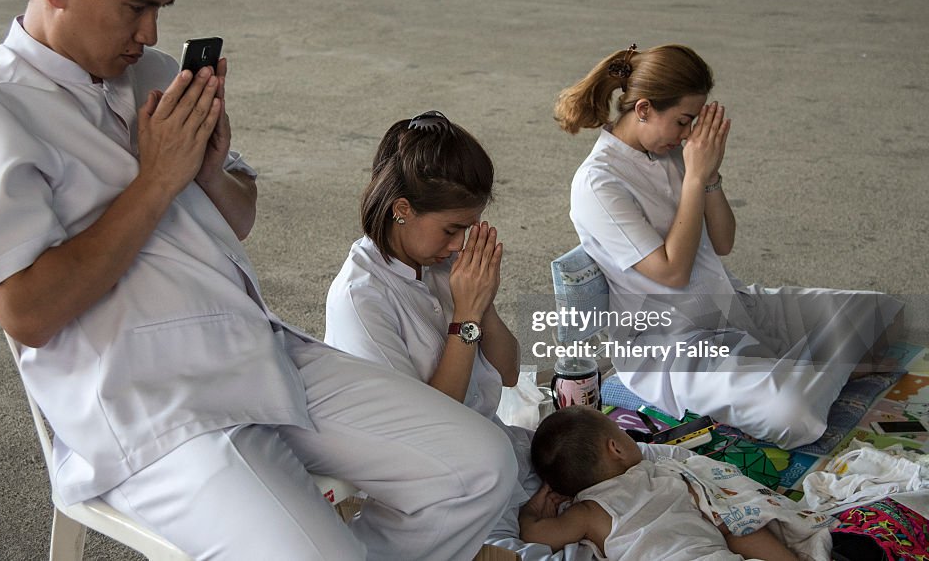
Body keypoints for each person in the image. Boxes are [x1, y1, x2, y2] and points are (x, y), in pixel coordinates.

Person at [0, 0, 517, 559]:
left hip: (255, 351)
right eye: (135, 8)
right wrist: (156, 179)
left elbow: (239, 215)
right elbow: (28, 311)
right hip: (152, 405)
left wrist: (206, 170)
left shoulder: (151, 74)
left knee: (481, 465)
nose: (149, 33)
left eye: (160, 10)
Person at [556, 43, 904, 450]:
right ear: (645, 109)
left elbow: (724, 241)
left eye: (694, 123)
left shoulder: (672, 153)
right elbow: (671, 271)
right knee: (794, 414)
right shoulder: (599, 183)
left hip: (730, 306)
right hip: (671, 346)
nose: (688, 134)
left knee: (881, 312)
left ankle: (806, 368)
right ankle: (818, 369)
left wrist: (709, 174)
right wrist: (693, 177)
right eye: (683, 121)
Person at [325, 112, 576, 560]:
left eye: (469, 227)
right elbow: (428, 430)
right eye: (451, 228)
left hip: (494, 451)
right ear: (402, 209)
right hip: (436, 482)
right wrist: (465, 317)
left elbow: (508, 370)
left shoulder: (442, 265)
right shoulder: (362, 299)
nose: (460, 244)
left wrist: (483, 300)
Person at [519, 406, 835, 561]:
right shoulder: (663, 473)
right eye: (623, 433)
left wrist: (534, 508)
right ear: (615, 448)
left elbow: (536, 534)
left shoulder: (587, 513)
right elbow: (731, 522)